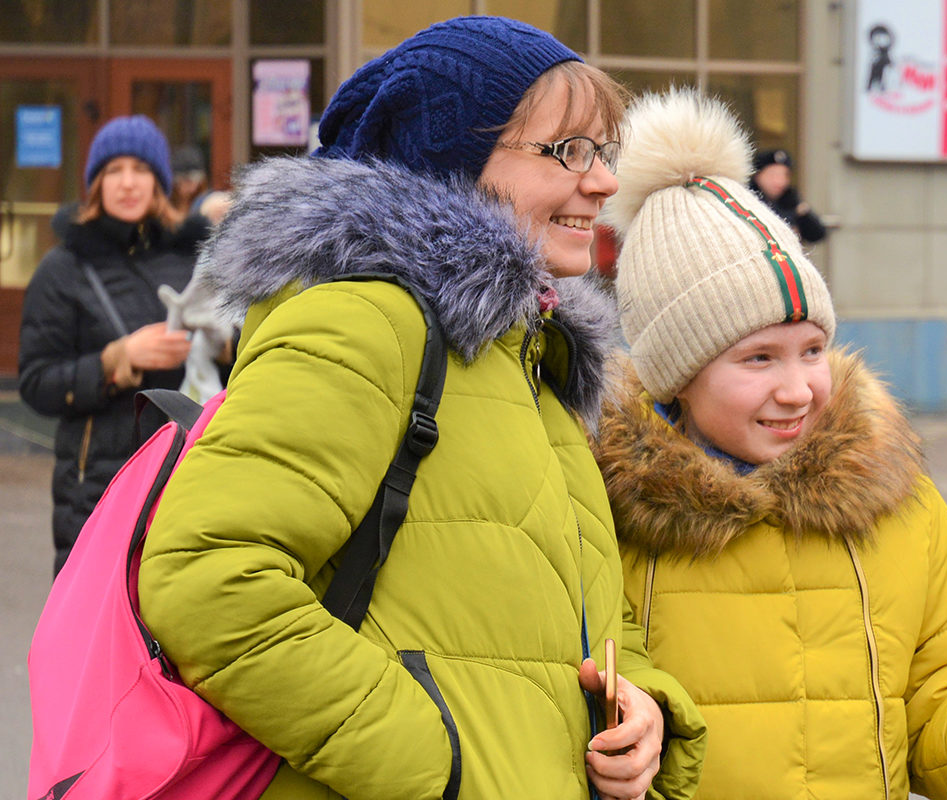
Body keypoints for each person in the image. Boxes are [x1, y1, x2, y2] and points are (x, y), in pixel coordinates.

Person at [136, 18, 705, 800]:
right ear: (449, 159)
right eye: (567, 151)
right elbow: (207, 579)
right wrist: (436, 762)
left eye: (603, 152)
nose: (604, 182)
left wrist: (639, 704)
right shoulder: (367, 321)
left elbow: (570, 614)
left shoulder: (532, 356)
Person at [593, 89, 947, 799]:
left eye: (812, 349)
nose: (799, 388)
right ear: (676, 375)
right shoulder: (608, 515)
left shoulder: (901, 503)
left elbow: (942, 702)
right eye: (758, 359)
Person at [19, 114, 210, 575]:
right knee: (95, 633)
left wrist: (221, 345)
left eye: (141, 170)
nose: (128, 183)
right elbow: (36, 382)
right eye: (115, 170)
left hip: (187, 472)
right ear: (96, 183)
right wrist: (117, 359)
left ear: (160, 182)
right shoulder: (63, 268)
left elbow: (246, 358)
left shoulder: (194, 260)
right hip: (96, 487)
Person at [748, 147, 828, 244]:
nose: (779, 181)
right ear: (758, 175)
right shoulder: (747, 198)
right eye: (773, 175)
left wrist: (802, 212)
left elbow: (817, 234)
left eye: (784, 175)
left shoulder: (789, 200)